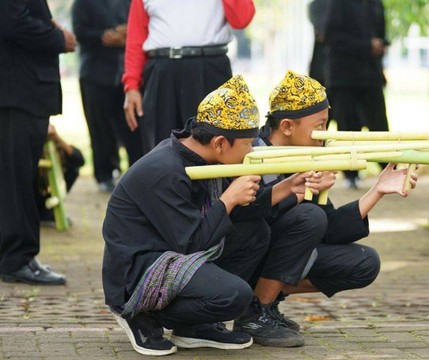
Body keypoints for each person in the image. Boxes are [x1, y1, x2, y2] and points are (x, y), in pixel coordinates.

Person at [102, 75, 316, 356]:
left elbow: (235, 215)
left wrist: (286, 188)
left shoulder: (204, 156)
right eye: (248, 144)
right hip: (141, 271)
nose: (252, 150)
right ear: (219, 143)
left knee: (255, 233)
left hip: (173, 253)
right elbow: (190, 243)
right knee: (236, 296)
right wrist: (228, 199)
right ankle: (142, 315)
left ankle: (194, 326)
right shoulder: (165, 169)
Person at [235, 70, 418, 347]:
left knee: (364, 263)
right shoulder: (252, 154)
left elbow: (329, 229)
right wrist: (296, 193)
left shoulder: (306, 155)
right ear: (286, 126)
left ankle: (267, 300)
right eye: (319, 126)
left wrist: (378, 188)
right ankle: (255, 312)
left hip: (277, 255)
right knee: (308, 215)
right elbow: (247, 218)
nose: (324, 134)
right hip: (240, 258)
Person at [0, 0, 76, 285]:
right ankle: (17, 258)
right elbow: (13, 23)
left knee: (15, 176)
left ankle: (15, 256)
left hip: (18, 91)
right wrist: (59, 38)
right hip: (17, 91)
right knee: (16, 179)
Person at [122, 0, 255, 153]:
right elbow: (136, 36)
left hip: (210, 68)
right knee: (161, 147)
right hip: (162, 70)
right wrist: (131, 85)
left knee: (218, 143)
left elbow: (242, 19)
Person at [72, 0, 143, 193]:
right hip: (95, 74)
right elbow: (79, 31)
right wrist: (105, 36)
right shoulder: (83, 3)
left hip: (127, 76)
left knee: (133, 128)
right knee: (100, 128)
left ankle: (137, 174)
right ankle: (106, 174)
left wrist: (127, 32)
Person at [324, 0, 390, 189]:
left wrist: (380, 44)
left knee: (379, 124)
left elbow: (381, 33)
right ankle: (351, 173)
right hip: (344, 76)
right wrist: (365, 45)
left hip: (370, 74)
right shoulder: (339, 4)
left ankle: (388, 167)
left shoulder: (375, 4)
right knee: (348, 124)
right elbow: (331, 36)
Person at [36, 124, 86, 226]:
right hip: (32, 195)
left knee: (73, 169)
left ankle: (48, 213)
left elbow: (79, 160)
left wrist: (57, 139)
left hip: (48, 194)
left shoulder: (56, 148)